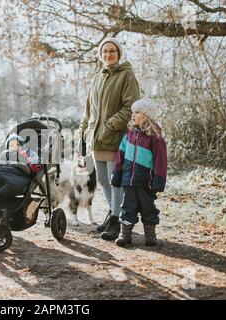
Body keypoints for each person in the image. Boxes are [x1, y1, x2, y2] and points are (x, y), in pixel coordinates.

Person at [78, 36, 140, 240]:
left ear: (119, 53)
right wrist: (83, 132)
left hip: (115, 137)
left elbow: (130, 107)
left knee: (116, 181)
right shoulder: (97, 78)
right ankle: (114, 215)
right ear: (100, 55)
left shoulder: (126, 75)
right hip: (96, 139)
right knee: (104, 181)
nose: (108, 54)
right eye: (104, 51)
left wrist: (109, 126)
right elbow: (89, 110)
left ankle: (117, 219)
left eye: (112, 50)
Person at [111, 98, 167, 247]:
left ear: (147, 115)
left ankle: (150, 235)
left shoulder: (155, 138)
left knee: (148, 209)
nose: (132, 115)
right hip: (128, 181)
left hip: (146, 183)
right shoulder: (128, 137)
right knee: (127, 208)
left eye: (137, 112)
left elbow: (161, 161)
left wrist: (159, 179)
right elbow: (120, 158)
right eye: (132, 112)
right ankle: (125, 235)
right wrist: (117, 174)